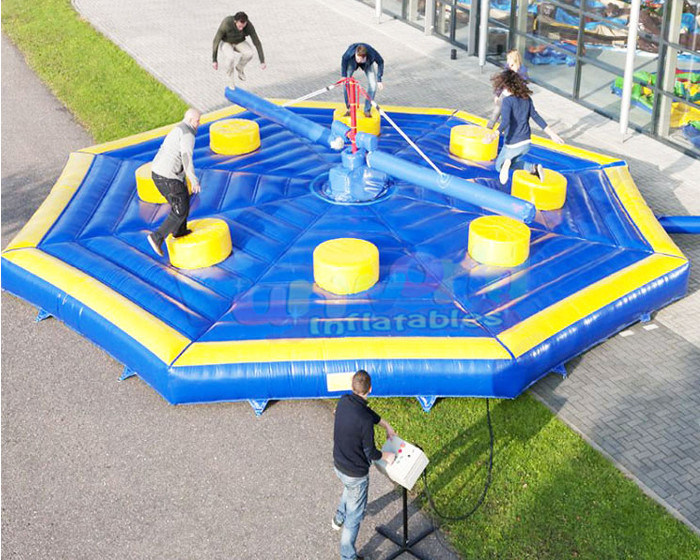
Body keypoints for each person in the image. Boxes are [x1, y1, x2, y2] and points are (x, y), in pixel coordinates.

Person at [332, 370, 396, 560]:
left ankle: (338, 517)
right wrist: (387, 456)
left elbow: (366, 412)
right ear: (370, 389)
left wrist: (386, 425)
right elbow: (371, 453)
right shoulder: (365, 421)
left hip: (339, 464)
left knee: (349, 488)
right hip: (356, 474)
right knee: (354, 519)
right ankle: (347, 556)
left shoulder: (344, 401)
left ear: (352, 386)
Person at [484, 70, 564, 185]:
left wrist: (494, 135)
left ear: (507, 86)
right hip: (526, 142)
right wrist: (552, 134)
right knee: (513, 164)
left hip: (512, 142)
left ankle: (506, 161)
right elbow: (536, 117)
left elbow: (505, 121)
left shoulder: (507, 101)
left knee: (499, 166)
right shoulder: (527, 98)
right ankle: (533, 168)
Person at [147, 108, 202, 258]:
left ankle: (179, 230)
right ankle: (157, 237)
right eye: (197, 121)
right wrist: (194, 180)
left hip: (159, 172)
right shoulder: (188, 134)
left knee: (183, 198)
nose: (199, 124)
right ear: (190, 120)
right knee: (180, 209)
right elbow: (186, 158)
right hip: (167, 176)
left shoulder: (178, 128)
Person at [212, 11, 266, 87]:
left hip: (239, 42)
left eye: (243, 26)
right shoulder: (227, 23)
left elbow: (257, 42)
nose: (241, 28)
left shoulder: (249, 26)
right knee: (230, 57)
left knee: (249, 53)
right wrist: (214, 60)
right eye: (239, 26)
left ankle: (240, 68)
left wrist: (262, 61)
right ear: (235, 21)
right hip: (226, 42)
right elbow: (216, 41)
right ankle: (230, 81)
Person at [486, 49, 529, 129]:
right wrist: (497, 95)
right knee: (496, 112)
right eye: (507, 59)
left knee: (509, 116)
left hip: (515, 97)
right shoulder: (507, 67)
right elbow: (501, 82)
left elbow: (523, 85)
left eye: (509, 59)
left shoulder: (522, 70)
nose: (507, 61)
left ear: (514, 59)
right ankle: (489, 128)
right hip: (505, 95)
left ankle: (506, 131)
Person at [341, 43, 385, 117]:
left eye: (360, 59)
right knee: (346, 83)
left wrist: (379, 80)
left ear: (365, 57)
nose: (358, 60)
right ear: (355, 53)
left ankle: (367, 110)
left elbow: (381, 62)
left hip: (367, 64)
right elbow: (344, 59)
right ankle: (349, 108)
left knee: (373, 85)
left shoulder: (372, 53)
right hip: (352, 62)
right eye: (357, 58)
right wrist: (344, 75)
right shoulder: (350, 51)